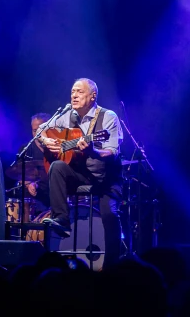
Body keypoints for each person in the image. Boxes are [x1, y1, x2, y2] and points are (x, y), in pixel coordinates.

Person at [39, 78, 123, 269]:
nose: (74, 95)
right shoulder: (67, 114)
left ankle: (112, 267)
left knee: (110, 215)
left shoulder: (108, 117)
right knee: (57, 166)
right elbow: (42, 130)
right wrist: (46, 141)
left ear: (93, 96)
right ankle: (61, 218)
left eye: (79, 92)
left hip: (106, 179)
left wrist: (93, 151)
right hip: (82, 174)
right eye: (72, 92)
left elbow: (112, 152)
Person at [17, 113, 50, 214]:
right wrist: (28, 184)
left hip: (53, 193)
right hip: (35, 197)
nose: (37, 134)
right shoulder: (26, 149)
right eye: (34, 131)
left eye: (40, 130)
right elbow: (17, 174)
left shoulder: (56, 148)